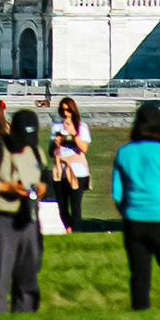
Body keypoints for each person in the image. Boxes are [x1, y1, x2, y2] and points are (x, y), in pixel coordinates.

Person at [110, 104, 160, 311]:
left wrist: (127, 212)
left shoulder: (123, 152)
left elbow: (117, 193)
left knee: (139, 276)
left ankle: (140, 316)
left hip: (134, 221)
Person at [0, 108, 47, 313]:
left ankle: (25, 318)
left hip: (29, 218)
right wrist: (6, 187)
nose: (25, 143)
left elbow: (42, 176)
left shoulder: (35, 151)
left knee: (29, 276)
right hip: (2, 218)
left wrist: (42, 188)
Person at [49, 96, 92, 234]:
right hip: (61, 169)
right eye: (62, 110)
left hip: (77, 170)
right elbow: (51, 152)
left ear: (73, 111)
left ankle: (77, 232)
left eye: (68, 110)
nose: (66, 113)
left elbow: (84, 148)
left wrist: (74, 135)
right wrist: (56, 142)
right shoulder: (56, 127)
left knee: (75, 205)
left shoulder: (82, 127)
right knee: (61, 205)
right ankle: (68, 228)